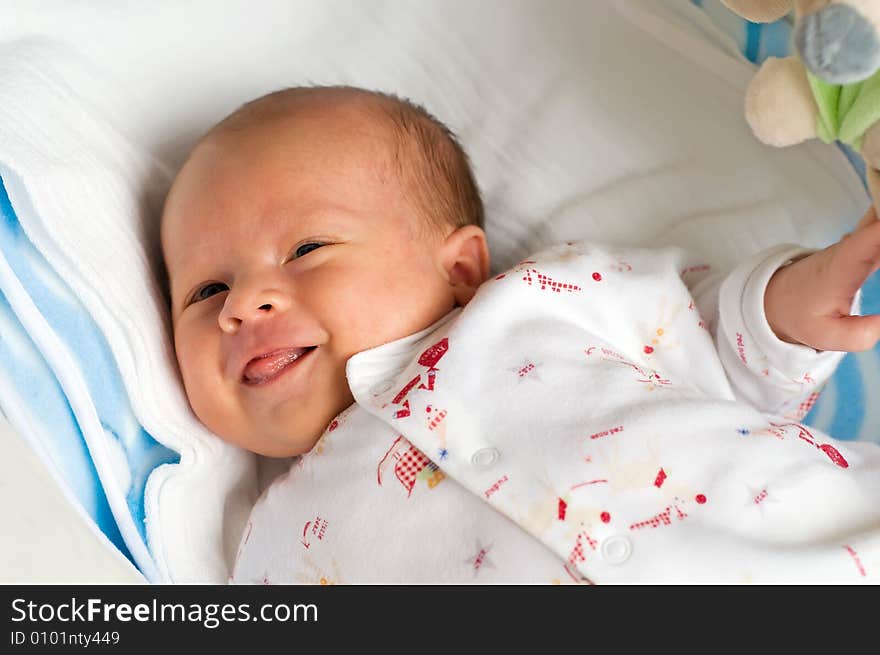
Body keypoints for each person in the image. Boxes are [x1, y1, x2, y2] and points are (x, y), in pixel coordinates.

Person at [161, 86, 880, 584]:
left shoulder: (546, 301)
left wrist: (793, 305)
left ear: (461, 269)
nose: (243, 304)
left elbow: (713, 340)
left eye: (306, 249)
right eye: (206, 290)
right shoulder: (269, 548)